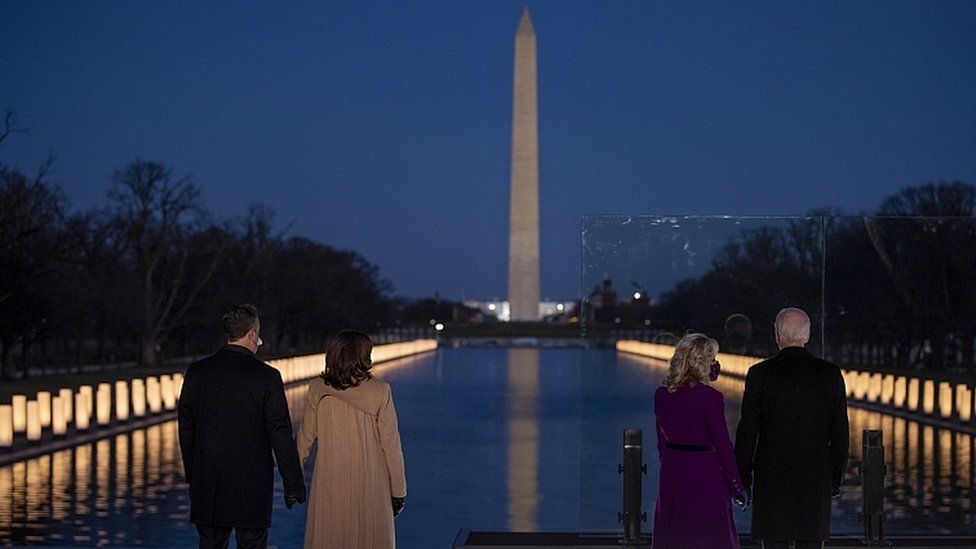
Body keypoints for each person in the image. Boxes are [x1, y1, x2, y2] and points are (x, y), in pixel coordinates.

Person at [178, 304, 306, 549]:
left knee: (210, 543)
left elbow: (186, 428)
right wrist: (293, 484)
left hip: (208, 480)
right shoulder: (267, 377)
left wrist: (193, 475)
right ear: (252, 335)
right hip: (251, 483)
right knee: (253, 544)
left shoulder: (197, 372)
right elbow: (279, 433)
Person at [734, 308, 850, 549]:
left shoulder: (759, 374)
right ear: (807, 335)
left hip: (772, 478)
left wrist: (743, 481)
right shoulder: (829, 374)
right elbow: (839, 434)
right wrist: (835, 479)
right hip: (814, 477)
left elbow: (747, 433)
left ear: (777, 335)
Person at [297, 330, 407, 549]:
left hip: (329, 479)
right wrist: (398, 491)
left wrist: (292, 479)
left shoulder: (318, 388)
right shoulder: (380, 391)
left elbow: (304, 439)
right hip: (371, 480)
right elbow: (391, 446)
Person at [652, 333, 748, 549]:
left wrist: (671, 465)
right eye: (712, 358)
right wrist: (736, 486)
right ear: (702, 362)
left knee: (674, 531)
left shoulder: (661, 394)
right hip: (706, 472)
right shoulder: (710, 398)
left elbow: (661, 442)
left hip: (672, 470)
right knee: (710, 532)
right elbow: (723, 445)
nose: (715, 364)